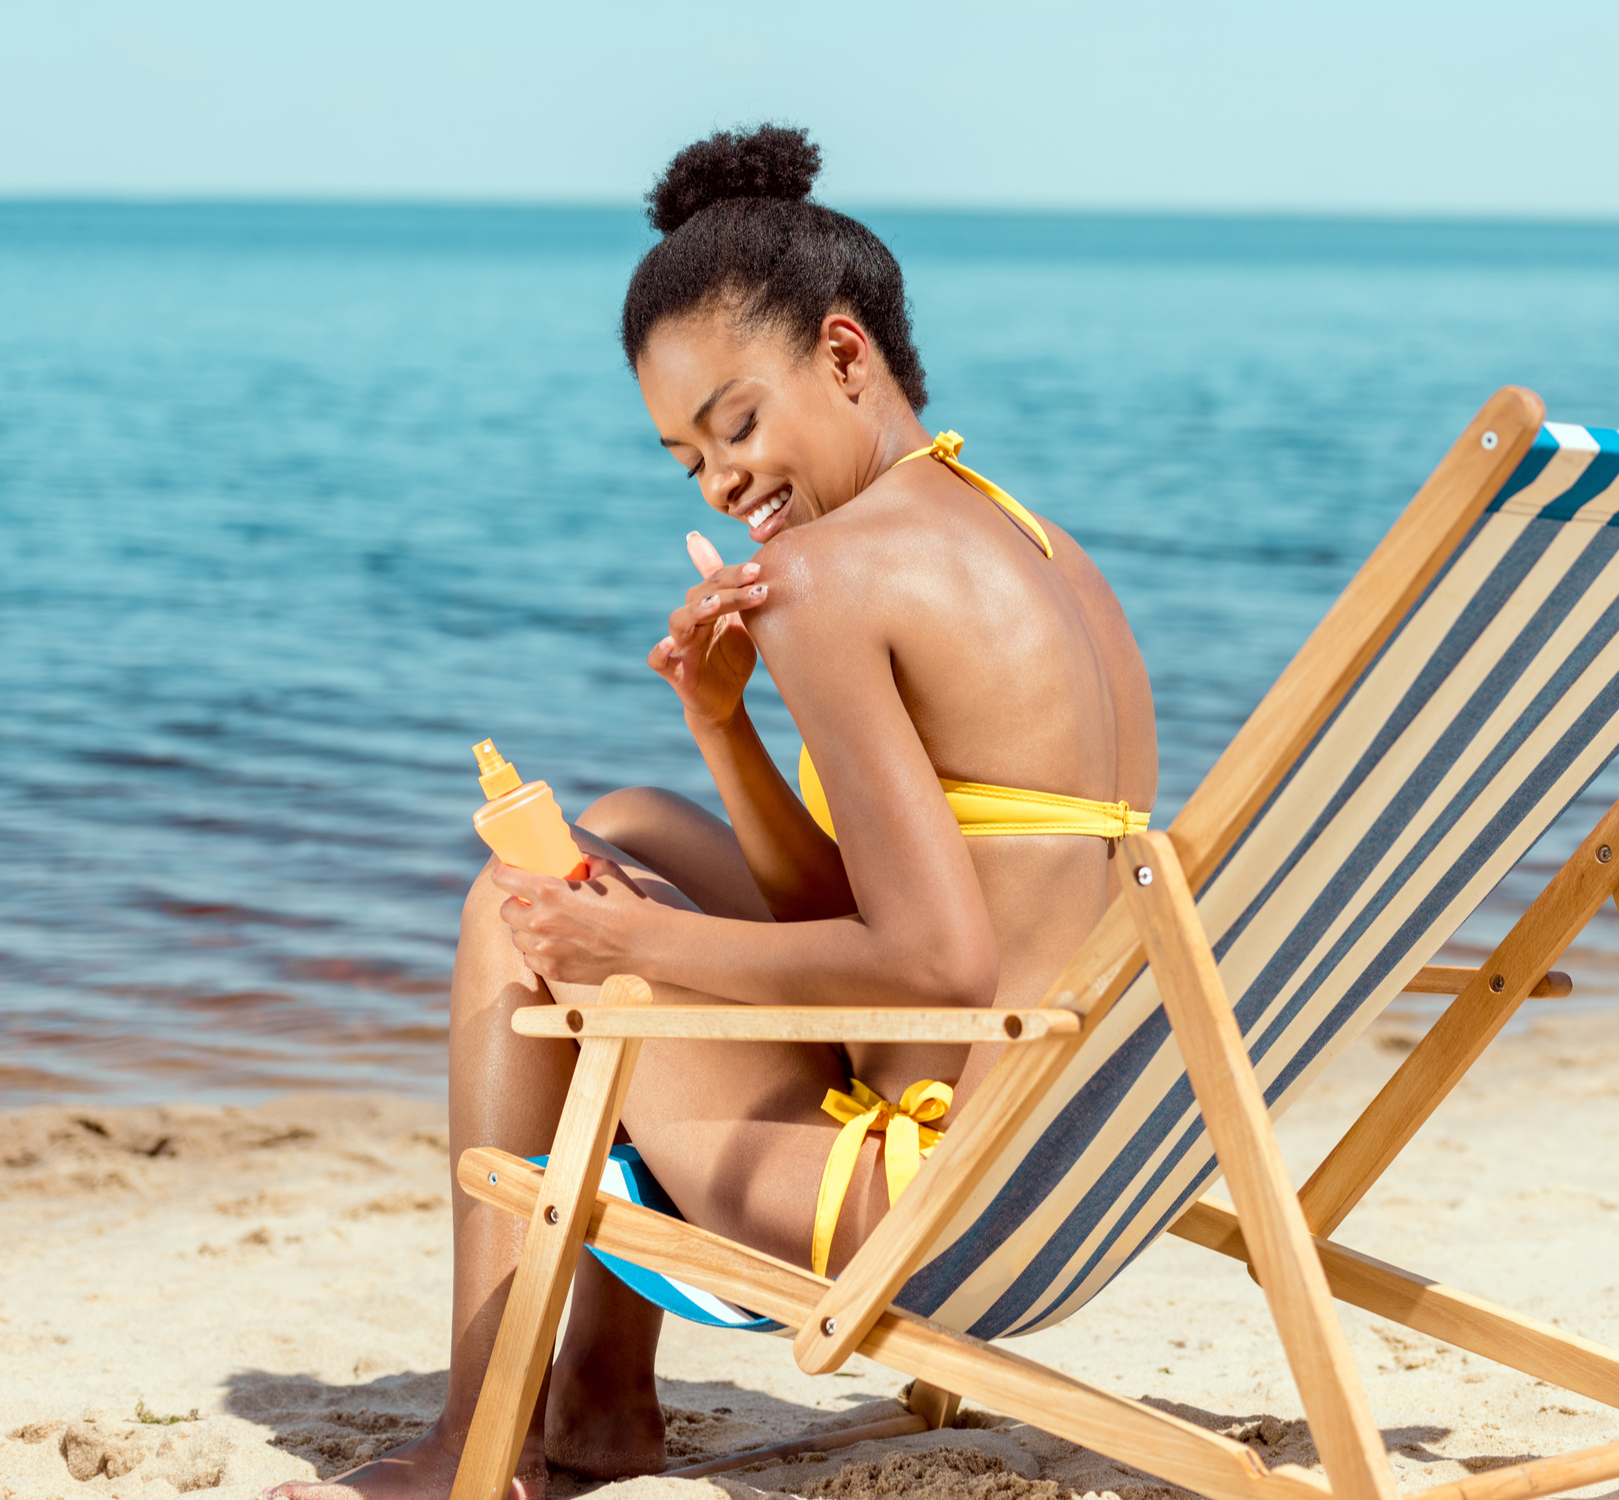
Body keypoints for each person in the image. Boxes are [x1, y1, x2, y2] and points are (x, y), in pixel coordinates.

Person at [266, 124, 1156, 1500]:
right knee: (632, 818)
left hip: (913, 1197)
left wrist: (633, 955)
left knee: (518, 918)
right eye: (687, 461)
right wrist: (725, 725)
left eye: (736, 426)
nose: (725, 484)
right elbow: (870, 917)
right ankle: (602, 1399)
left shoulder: (832, 578)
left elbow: (929, 966)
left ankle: (469, 1444)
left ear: (845, 356)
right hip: (1061, 1164)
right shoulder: (1038, 546)